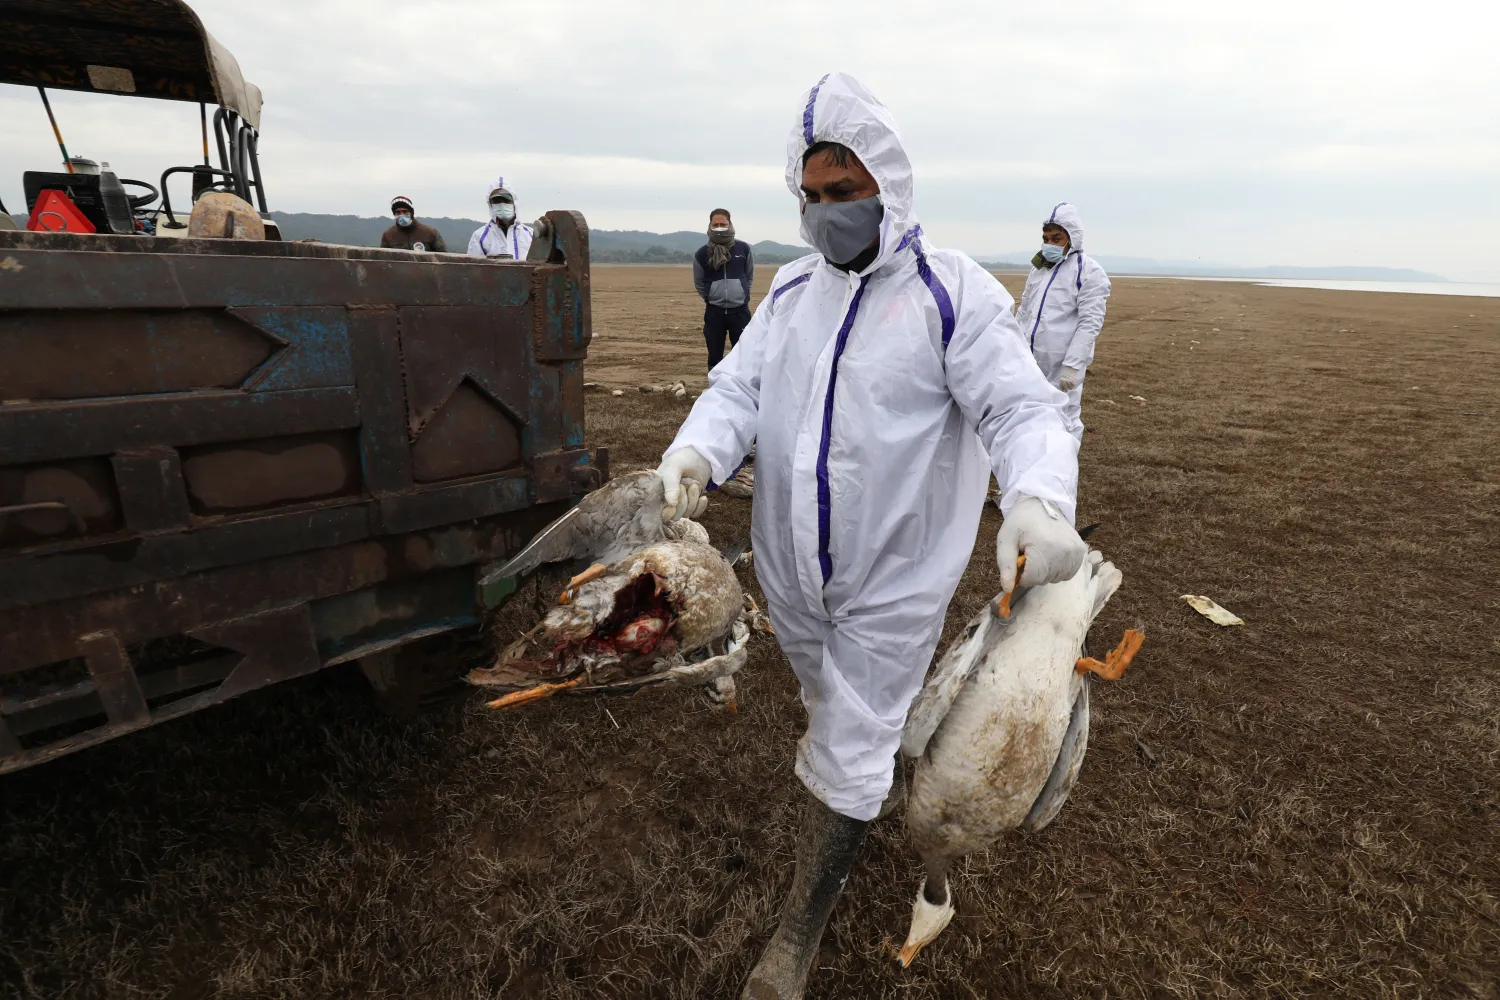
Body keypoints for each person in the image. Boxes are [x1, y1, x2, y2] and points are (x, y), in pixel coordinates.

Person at [653, 73, 1086, 999]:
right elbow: (741, 390)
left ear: (888, 184)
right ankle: (876, 766)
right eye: (810, 197)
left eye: (843, 193)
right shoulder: (792, 290)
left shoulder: (948, 294)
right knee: (837, 711)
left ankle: (792, 945)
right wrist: (695, 454)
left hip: (893, 581)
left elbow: (1020, 408)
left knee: (849, 742)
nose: (824, 214)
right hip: (791, 575)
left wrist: (1039, 500)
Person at [1014, 203, 1111, 441]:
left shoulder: (1088, 272)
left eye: (1057, 238)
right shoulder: (1039, 269)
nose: (1050, 244)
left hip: (1061, 365)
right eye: (1046, 238)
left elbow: (1090, 323)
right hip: (1029, 360)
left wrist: (1073, 365)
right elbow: (1025, 310)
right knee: (1028, 415)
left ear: (1072, 238)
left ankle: (1063, 470)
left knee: (1063, 419)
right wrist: (1012, 346)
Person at [693, 208, 755, 371]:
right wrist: (710, 297)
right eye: (716, 224)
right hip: (715, 313)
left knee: (743, 354)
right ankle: (715, 391)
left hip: (740, 312)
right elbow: (699, 282)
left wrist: (742, 294)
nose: (719, 227)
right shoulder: (702, 253)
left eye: (723, 224)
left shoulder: (743, 249)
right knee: (715, 355)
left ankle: (742, 392)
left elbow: (749, 276)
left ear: (730, 224)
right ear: (710, 225)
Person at [467, 176, 533, 259]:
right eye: (496, 201)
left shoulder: (530, 235)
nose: (502, 204)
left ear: (514, 202)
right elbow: (474, 267)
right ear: (490, 205)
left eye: (506, 200)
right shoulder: (479, 237)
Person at [379, 196, 447, 252]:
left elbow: (443, 256)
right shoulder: (388, 235)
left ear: (411, 213)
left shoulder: (430, 232)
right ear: (394, 214)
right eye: (398, 212)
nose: (402, 214)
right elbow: (383, 258)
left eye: (405, 211)